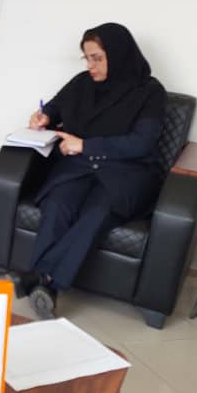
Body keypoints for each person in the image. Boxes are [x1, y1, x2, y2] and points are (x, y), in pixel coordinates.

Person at [13, 22, 166, 319]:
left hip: (125, 174)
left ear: (118, 55)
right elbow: (54, 107)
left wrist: (85, 145)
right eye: (87, 58)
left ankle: (41, 276)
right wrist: (42, 117)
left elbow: (142, 143)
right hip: (78, 168)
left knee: (96, 214)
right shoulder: (82, 83)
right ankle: (45, 285)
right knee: (57, 205)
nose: (90, 66)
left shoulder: (150, 92)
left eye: (97, 58)